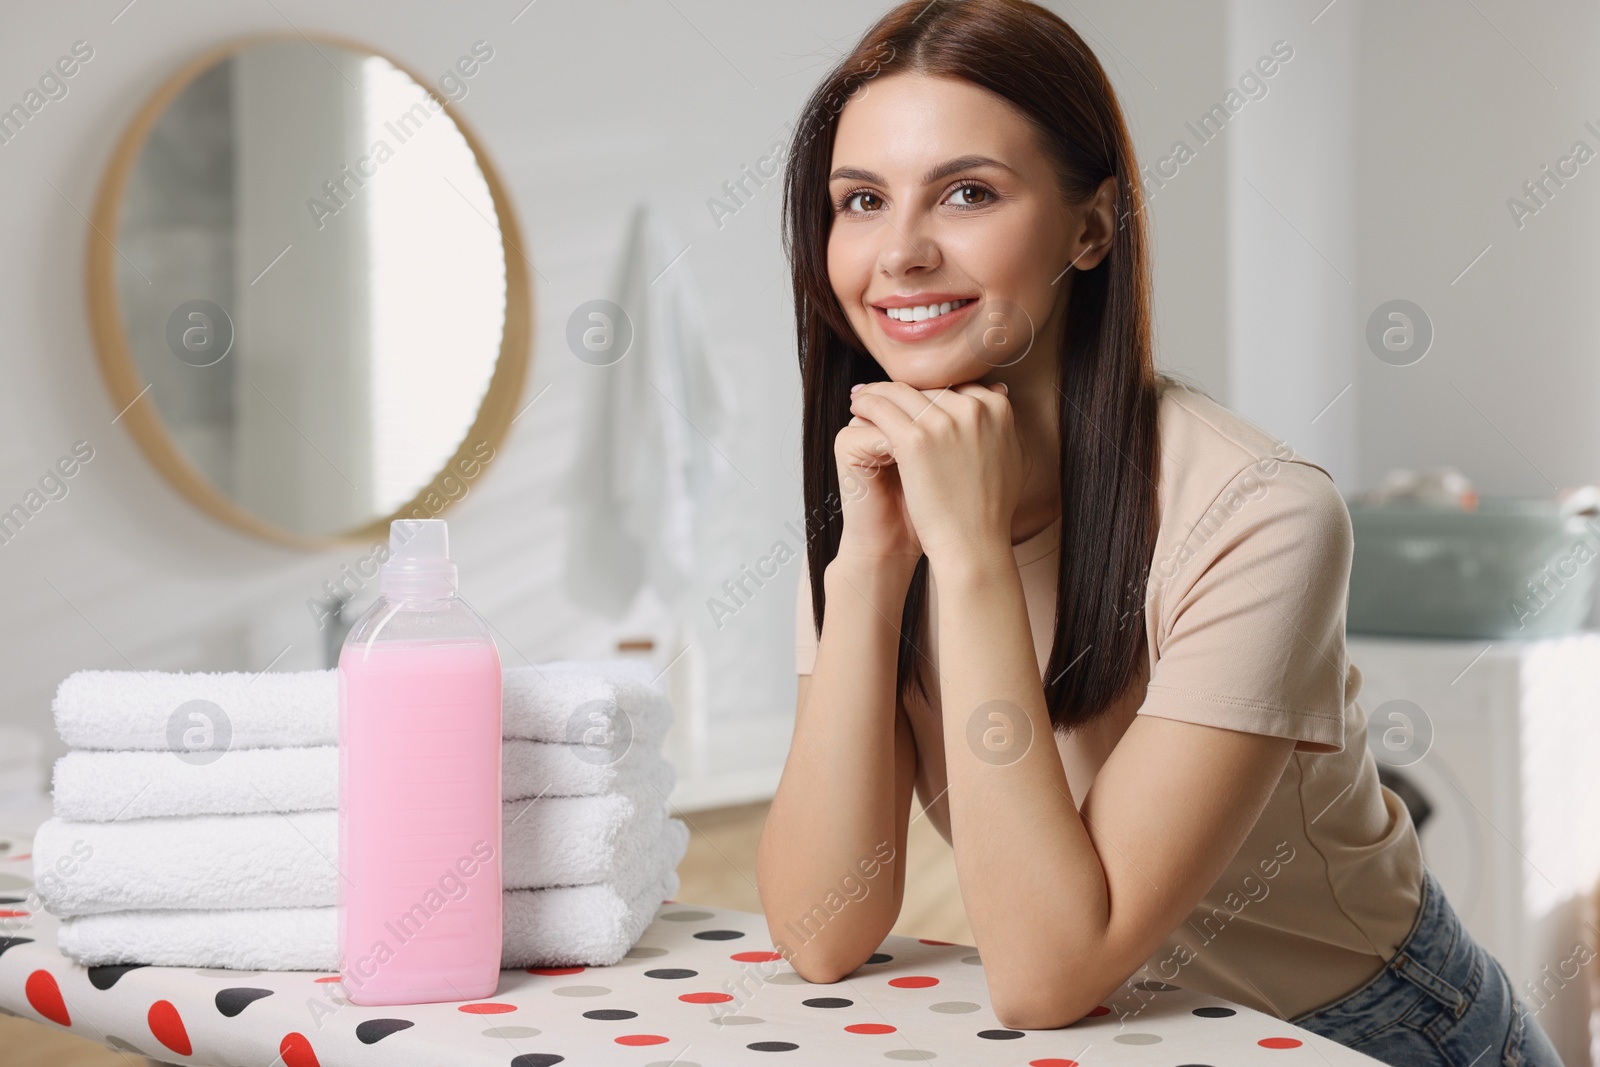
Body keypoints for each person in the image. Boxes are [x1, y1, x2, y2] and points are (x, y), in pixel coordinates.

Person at [754, 2, 1564, 1064]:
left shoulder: (1258, 512)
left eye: (966, 192)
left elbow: (1045, 970)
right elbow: (821, 932)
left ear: (1090, 227)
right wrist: (869, 565)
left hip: (1360, 1030)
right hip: (1132, 1030)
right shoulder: (870, 503)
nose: (898, 251)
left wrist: (973, 556)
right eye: (859, 200)